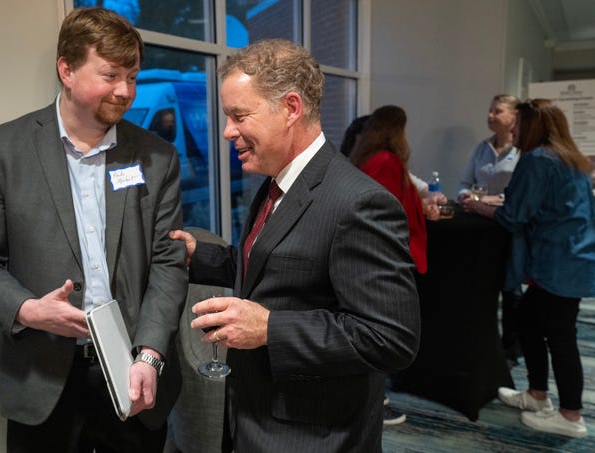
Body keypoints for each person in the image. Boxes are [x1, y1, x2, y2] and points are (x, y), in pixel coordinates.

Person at [0, 7, 188, 452]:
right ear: (67, 70)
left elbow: (169, 264)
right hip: (41, 378)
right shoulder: (4, 150)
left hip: (134, 372)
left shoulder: (156, 157)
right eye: (111, 75)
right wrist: (27, 309)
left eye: (133, 77)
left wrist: (151, 355)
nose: (125, 91)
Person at [170, 38, 420, 452]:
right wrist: (201, 257)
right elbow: (278, 267)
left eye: (239, 115)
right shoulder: (276, 184)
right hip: (257, 417)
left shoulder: (359, 203)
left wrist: (269, 328)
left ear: (290, 108)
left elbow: (391, 338)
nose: (228, 131)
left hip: (311, 436)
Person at [462, 98, 595, 438]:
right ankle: (537, 396)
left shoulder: (536, 160)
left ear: (533, 126)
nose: (513, 130)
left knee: (561, 338)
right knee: (528, 321)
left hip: (556, 263)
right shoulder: (570, 158)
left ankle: (570, 416)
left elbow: (513, 216)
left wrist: (477, 207)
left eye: (518, 124)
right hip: (571, 258)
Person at [349, 105, 428, 425]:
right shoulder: (386, 161)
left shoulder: (372, 159)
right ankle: (374, 402)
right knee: (380, 331)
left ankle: (373, 399)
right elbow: (384, 215)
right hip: (385, 259)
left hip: (375, 258)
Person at [457, 94, 523, 366]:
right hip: (480, 229)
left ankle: (512, 347)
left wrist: (488, 201)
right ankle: (485, 344)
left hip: (508, 228)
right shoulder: (481, 148)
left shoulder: (522, 153)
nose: (490, 116)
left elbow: (520, 197)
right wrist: (467, 197)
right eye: (489, 111)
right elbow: (464, 184)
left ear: (513, 118)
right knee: (483, 286)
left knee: (511, 289)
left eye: (497, 111)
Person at [341, 114, 445, 221]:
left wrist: (433, 197)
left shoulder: (386, 162)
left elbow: (415, 184)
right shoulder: (348, 168)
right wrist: (421, 205)